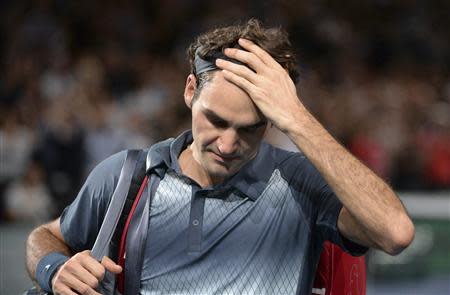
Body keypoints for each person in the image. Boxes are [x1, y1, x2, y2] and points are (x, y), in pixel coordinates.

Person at [25, 19, 414, 295]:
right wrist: (54, 269)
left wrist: (298, 118)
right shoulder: (127, 175)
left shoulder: (301, 185)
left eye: (250, 128)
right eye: (216, 120)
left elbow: (395, 232)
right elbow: (44, 237)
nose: (227, 145)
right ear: (190, 90)